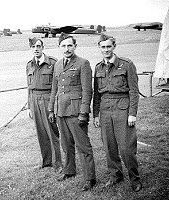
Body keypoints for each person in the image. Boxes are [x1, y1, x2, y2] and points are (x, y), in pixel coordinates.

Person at [93, 33, 142, 192]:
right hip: (105, 109)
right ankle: (115, 175)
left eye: (109, 46)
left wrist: (132, 113)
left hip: (123, 107)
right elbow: (96, 94)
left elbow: (134, 91)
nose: (106, 49)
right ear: (99, 48)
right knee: (109, 146)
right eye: (103, 47)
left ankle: (134, 178)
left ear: (114, 47)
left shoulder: (126, 64)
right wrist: (95, 115)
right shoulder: (98, 67)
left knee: (127, 148)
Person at [48, 33, 96, 191]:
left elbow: (87, 90)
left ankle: (90, 178)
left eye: (70, 45)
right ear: (59, 47)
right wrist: (51, 109)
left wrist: (84, 112)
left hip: (76, 112)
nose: (67, 48)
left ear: (75, 46)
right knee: (66, 144)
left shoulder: (83, 63)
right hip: (61, 111)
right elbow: (54, 89)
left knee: (83, 146)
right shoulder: (58, 64)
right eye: (63, 45)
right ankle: (69, 171)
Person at [26, 37, 62, 172]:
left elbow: (57, 86)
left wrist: (53, 106)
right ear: (31, 48)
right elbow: (29, 87)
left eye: (38, 46)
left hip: (48, 98)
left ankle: (58, 163)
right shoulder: (29, 64)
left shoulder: (53, 63)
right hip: (34, 99)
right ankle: (46, 161)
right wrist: (29, 106)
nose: (36, 49)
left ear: (42, 47)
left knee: (52, 131)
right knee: (41, 132)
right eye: (33, 46)